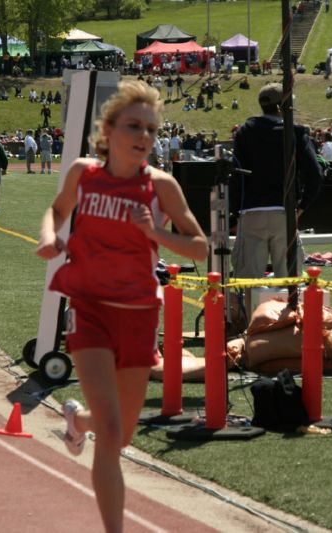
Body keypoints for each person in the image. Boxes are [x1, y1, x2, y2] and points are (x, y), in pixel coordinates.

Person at [35, 80, 207, 533]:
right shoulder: (83, 173)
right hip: (90, 309)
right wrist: (51, 238)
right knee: (111, 437)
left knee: (121, 434)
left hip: (138, 316)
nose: (144, 137)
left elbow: (200, 247)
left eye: (151, 129)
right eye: (134, 126)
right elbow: (56, 210)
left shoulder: (162, 186)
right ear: (108, 130)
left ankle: (77, 420)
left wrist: (156, 234)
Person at [230, 83, 323, 280]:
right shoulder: (296, 133)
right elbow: (315, 174)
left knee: (248, 283)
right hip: (284, 212)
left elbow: (236, 174)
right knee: (289, 283)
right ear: (284, 106)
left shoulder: (244, 132)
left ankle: (248, 311)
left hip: (251, 212)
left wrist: (235, 212)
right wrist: (302, 207)